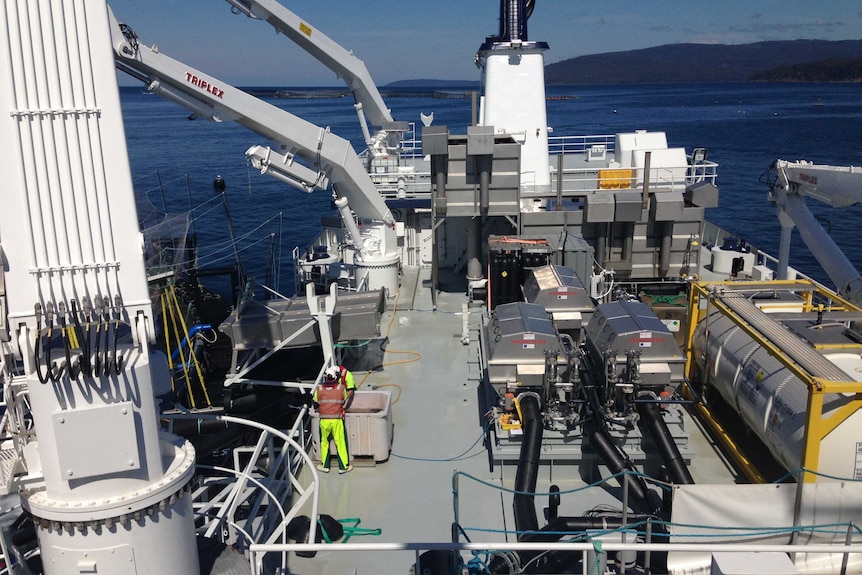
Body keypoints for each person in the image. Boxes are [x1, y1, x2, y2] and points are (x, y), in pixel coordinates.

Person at [313, 366, 353, 474]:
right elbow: (344, 398)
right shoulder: (341, 388)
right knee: (340, 442)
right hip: (337, 420)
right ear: (336, 377)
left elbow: (315, 403)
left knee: (324, 443)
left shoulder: (319, 389)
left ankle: (325, 466)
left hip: (324, 420)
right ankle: (343, 467)